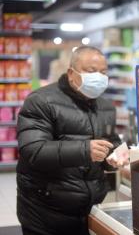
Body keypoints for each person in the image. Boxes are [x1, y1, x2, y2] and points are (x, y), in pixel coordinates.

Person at [16, 46, 126, 235]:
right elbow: (33, 150)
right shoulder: (41, 101)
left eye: (103, 72)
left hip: (90, 207)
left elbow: (110, 141)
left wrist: (116, 154)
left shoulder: (106, 107)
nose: (98, 77)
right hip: (45, 209)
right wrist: (85, 150)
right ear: (71, 73)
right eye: (91, 71)